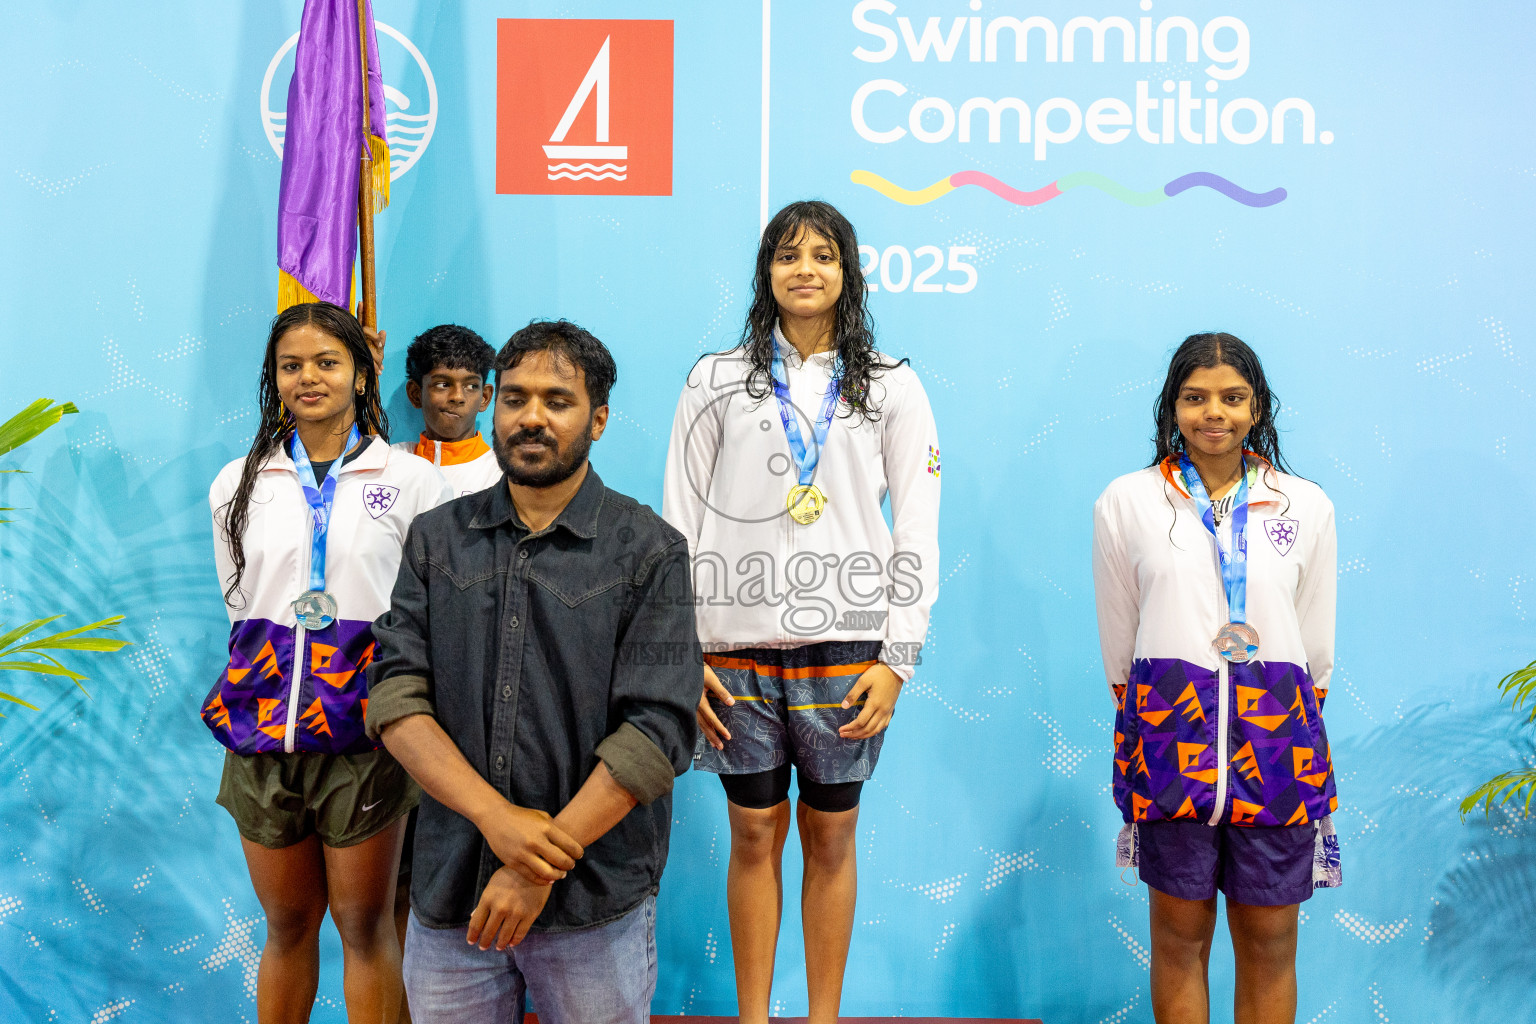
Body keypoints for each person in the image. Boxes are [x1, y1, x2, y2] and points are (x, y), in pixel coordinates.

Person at [365, 320, 701, 1023]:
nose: (532, 418)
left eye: (557, 400)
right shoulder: (435, 538)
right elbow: (396, 696)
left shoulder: (649, 549)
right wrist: (496, 821)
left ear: (598, 419)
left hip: (592, 905)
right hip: (453, 896)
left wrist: (532, 866)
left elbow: (657, 731)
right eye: (515, 399)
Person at [661, 200, 940, 1024]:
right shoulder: (716, 378)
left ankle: (822, 1018)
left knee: (831, 838)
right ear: (766, 273)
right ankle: (754, 1018)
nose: (805, 269)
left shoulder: (890, 384)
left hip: (849, 649)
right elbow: (677, 519)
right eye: (788, 256)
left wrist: (899, 660)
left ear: (849, 273)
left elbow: (919, 524)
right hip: (732, 651)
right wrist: (687, 653)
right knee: (753, 837)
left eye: (823, 255)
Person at [201, 300, 450, 1024]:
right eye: (291, 365)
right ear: (273, 378)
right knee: (285, 928)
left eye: (327, 362)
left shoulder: (409, 481)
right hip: (261, 735)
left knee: (365, 926)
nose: (307, 377)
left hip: (363, 735)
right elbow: (237, 601)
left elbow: (422, 608)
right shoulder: (236, 484)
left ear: (362, 370)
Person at [1092, 332, 1340, 1024]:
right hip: (1172, 741)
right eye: (1196, 398)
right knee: (1178, 936)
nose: (1214, 413)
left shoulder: (1305, 506)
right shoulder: (1128, 502)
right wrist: (1158, 717)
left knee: (1269, 940)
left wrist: (1279, 719)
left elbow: (1314, 645)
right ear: (1172, 407)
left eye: (1232, 398)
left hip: (1277, 747)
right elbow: (1121, 636)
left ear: (1256, 408)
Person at [391, 324, 502, 497]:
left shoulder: (501, 477)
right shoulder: (389, 463)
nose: (458, 397)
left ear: (485, 398)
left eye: (472, 386)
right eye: (443, 384)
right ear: (415, 394)